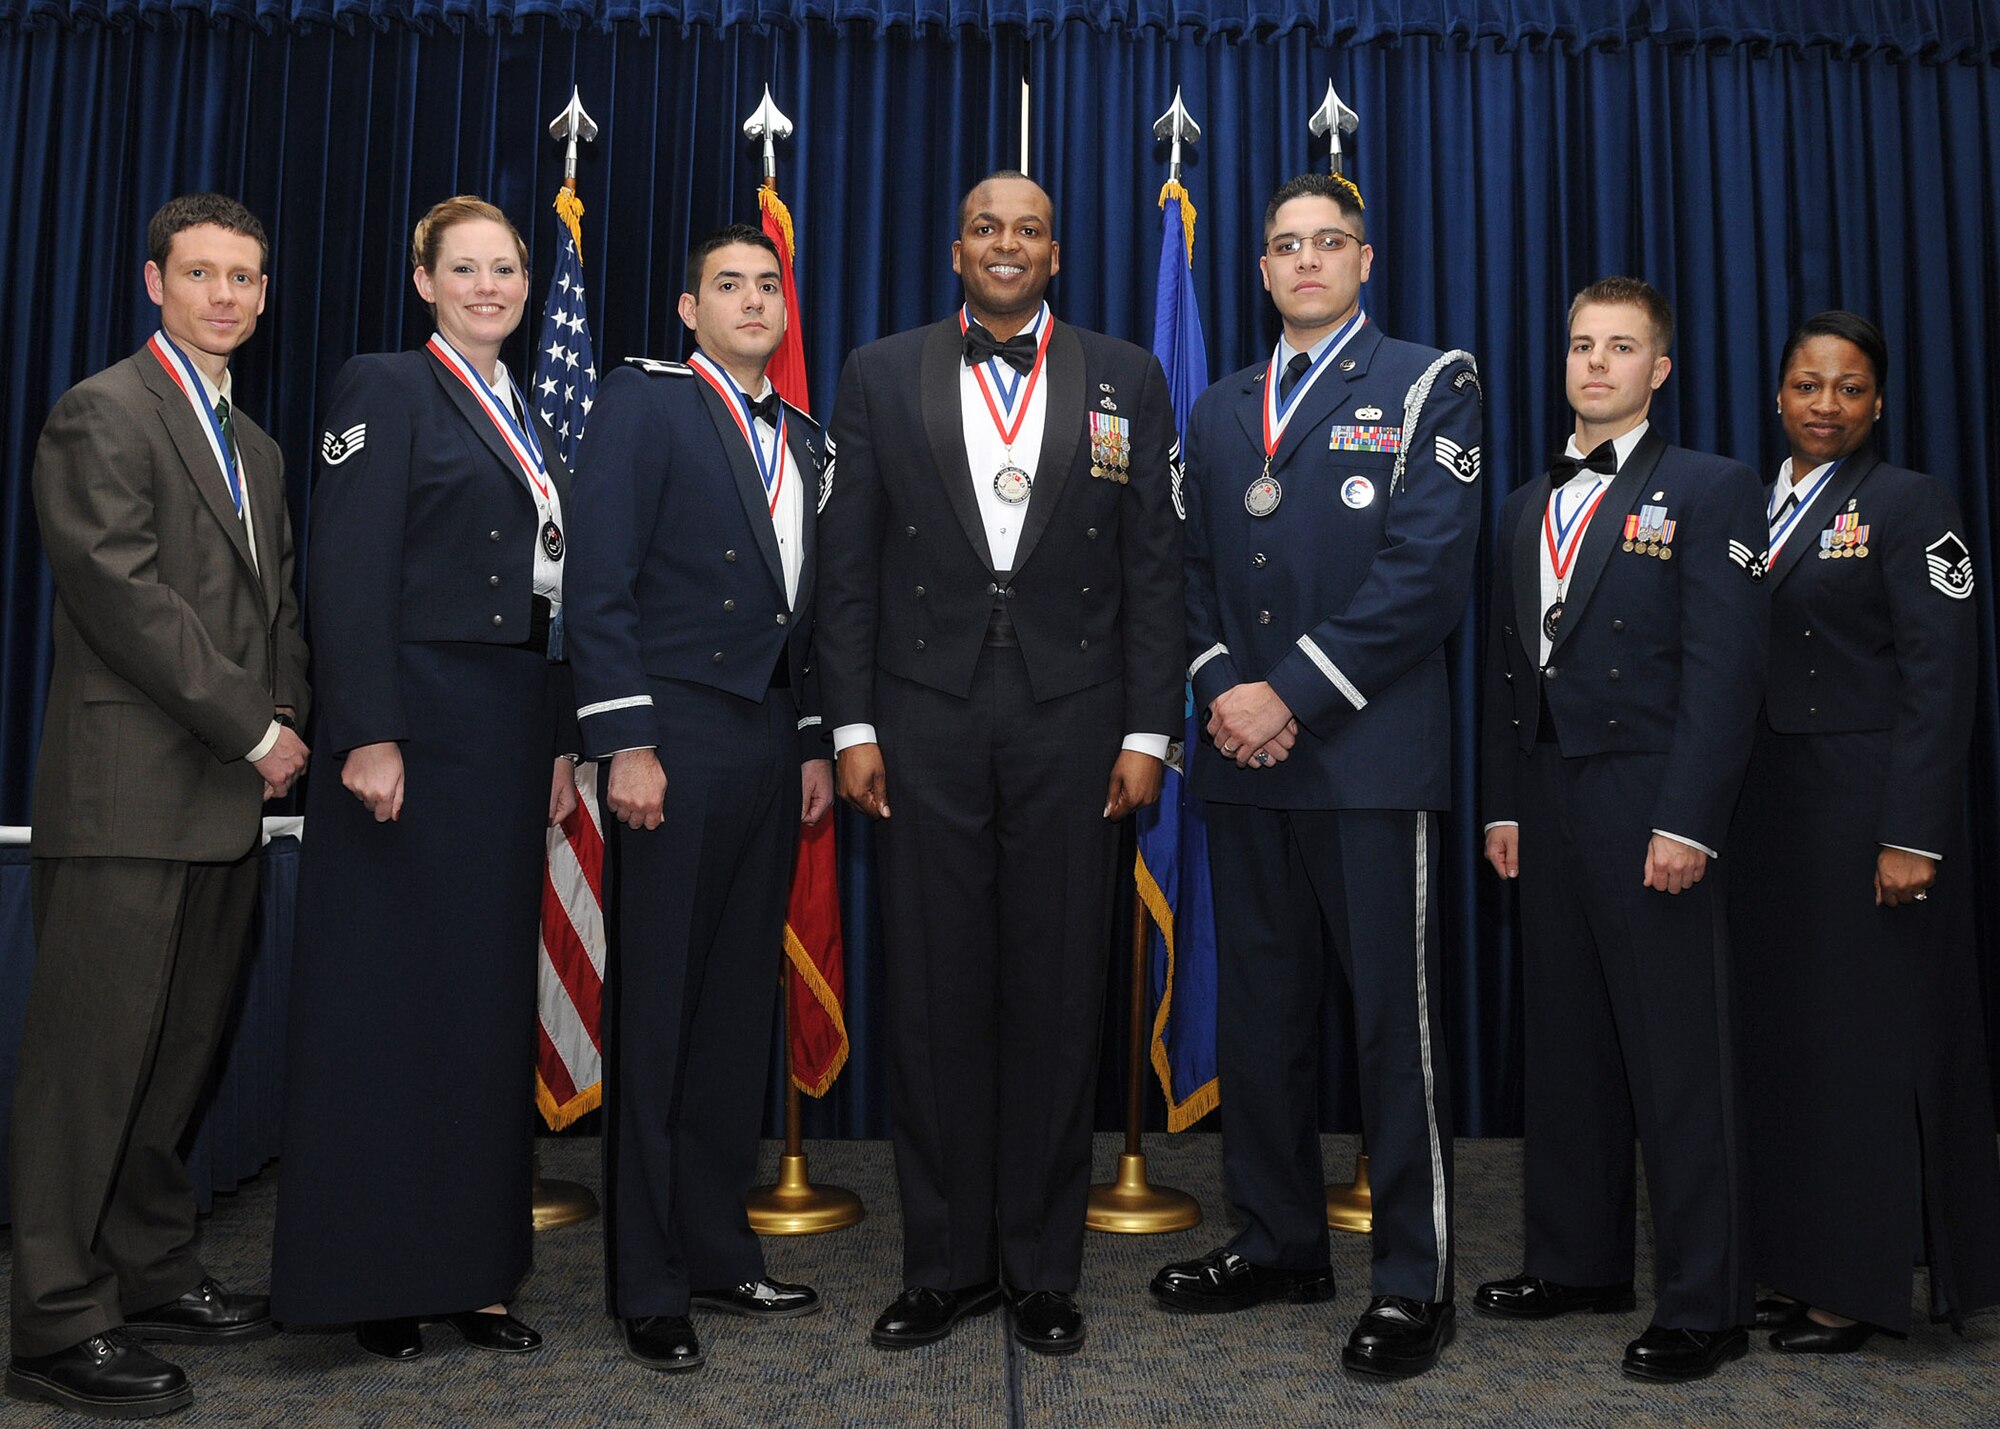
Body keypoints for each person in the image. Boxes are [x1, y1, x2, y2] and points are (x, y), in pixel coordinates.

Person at [819, 171, 1182, 1356]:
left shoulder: (1126, 375)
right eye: (986, 226)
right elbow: (850, 563)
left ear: (1055, 253)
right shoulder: (877, 371)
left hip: (1076, 720)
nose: (1006, 244)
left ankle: (1040, 1269)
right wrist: (852, 725)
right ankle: (943, 1267)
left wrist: (1145, 731)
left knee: (1058, 990)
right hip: (918, 719)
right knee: (929, 993)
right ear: (957, 247)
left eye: (1027, 228)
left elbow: (1152, 567)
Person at [1157, 171, 1480, 1380]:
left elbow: (1424, 574)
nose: (1303, 262)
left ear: (1363, 257)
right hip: (1243, 761)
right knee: (1263, 1020)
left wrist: (1282, 693)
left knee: (1393, 1035)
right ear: (1258, 269)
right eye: (1283, 246)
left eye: (1325, 242)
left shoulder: (1427, 382)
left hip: (1362, 758)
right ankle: (1279, 1237)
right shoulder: (1221, 405)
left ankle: (1411, 1278)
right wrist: (1221, 692)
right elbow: (1185, 568)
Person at [6, 193, 310, 1420]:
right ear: (155, 283)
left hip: (227, 802)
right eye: (203, 275)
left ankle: (147, 1268)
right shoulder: (102, 413)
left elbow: (276, 607)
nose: (227, 296)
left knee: (176, 1061)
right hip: (131, 799)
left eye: (245, 277)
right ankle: (53, 1317)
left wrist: (284, 724)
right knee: (88, 1072)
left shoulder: (263, 447)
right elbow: (126, 600)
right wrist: (256, 727)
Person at [270, 196, 578, 1362]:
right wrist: (365, 731)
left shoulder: (528, 413)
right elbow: (345, 569)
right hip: (411, 731)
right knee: (389, 1010)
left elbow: (549, 601)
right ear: (424, 281)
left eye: (506, 268)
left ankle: (477, 1274)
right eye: (466, 268)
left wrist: (553, 740)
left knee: (481, 1009)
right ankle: (378, 1281)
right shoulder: (386, 386)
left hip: (503, 733)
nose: (491, 285)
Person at [1476, 277, 1767, 1381]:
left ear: (1660, 370)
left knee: (1675, 1052)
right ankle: (1576, 1262)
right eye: (1580, 345)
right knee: (1567, 1044)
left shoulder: (1710, 486)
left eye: (1620, 348)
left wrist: (1688, 818)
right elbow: (1511, 669)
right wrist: (1504, 799)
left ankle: (1706, 1298)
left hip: (1652, 797)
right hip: (1547, 797)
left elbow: (1724, 670)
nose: (1594, 364)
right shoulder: (1519, 503)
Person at [564, 224, 830, 1373]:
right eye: (729, 285)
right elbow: (599, 574)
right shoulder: (645, 400)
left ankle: (720, 1249)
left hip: (769, 741)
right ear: (688, 309)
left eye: (768, 285)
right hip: (668, 736)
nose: (753, 300)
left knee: (731, 1012)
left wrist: (813, 741)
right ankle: (648, 1280)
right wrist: (622, 738)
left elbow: (812, 615)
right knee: (661, 1011)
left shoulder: (811, 438)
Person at [1729, 310, 2000, 1352]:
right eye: (1806, 385)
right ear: (1779, 395)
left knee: (1861, 1055)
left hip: (1869, 820)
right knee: (1791, 1047)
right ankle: (1795, 1264)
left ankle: (1854, 1285)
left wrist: (1913, 834)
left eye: (1846, 388)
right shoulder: (1755, 505)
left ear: (1875, 403)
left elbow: (1941, 679)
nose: (1824, 404)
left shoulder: (1909, 504)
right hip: (1773, 825)